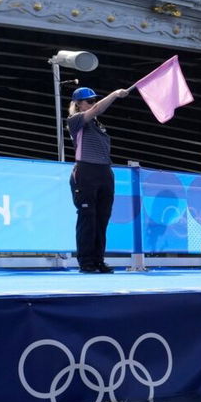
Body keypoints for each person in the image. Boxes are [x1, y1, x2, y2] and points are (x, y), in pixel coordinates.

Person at [66, 86, 128, 273]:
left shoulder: (98, 125)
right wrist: (115, 94)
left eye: (94, 100)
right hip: (86, 171)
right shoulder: (75, 120)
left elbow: (96, 112)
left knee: (102, 219)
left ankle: (98, 260)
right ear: (78, 104)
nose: (93, 103)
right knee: (88, 217)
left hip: (104, 172)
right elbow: (97, 110)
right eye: (89, 101)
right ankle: (86, 262)